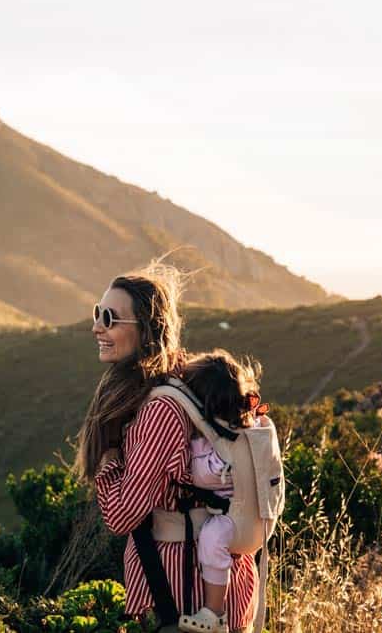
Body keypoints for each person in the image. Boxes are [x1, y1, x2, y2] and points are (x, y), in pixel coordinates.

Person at [75, 263, 258, 629]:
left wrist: (109, 459)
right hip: (199, 580)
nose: (97, 327)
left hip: (182, 591)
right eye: (97, 313)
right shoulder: (176, 380)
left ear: (146, 329)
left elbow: (121, 516)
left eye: (110, 318)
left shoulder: (160, 410)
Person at [174, 350, 266, 633]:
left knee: (211, 540)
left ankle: (214, 612)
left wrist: (190, 449)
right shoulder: (250, 425)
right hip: (256, 520)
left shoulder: (223, 442)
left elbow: (205, 476)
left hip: (235, 521)